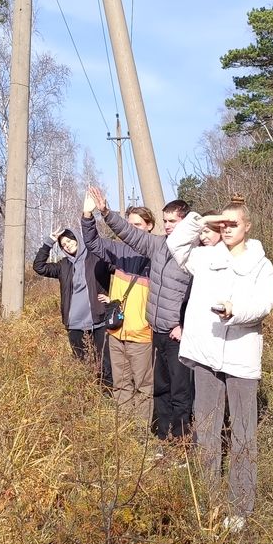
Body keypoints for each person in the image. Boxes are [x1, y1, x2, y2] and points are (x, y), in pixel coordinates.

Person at [168, 200, 273, 531]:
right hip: (205, 354)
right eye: (223, 224)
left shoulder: (261, 264)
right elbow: (175, 243)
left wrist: (235, 311)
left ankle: (241, 507)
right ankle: (209, 498)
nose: (227, 228)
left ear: (248, 227)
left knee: (244, 433)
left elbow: (264, 303)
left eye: (233, 223)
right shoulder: (207, 258)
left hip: (241, 358)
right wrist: (207, 218)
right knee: (208, 429)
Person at [89, 188, 195, 443]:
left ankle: (180, 441)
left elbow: (196, 296)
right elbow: (128, 233)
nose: (168, 226)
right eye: (166, 221)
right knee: (160, 388)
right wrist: (105, 212)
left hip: (177, 332)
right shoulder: (158, 245)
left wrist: (183, 324)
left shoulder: (195, 252)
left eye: (174, 221)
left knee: (180, 390)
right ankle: (161, 436)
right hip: (157, 330)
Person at [82, 202, 154, 424]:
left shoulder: (158, 254)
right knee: (121, 384)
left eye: (138, 225)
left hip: (141, 335)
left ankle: (142, 433)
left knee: (143, 387)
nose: (132, 230)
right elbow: (92, 242)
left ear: (150, 226)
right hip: (116, 331)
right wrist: (87, 214)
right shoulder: (119, 250)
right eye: (129, 225)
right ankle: (124, 429)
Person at [33, 228, 113, 385]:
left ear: (77, 239)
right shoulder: (63, 265)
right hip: (74, 322)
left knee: (105, 360)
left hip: (98, 319)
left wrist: (113, 298)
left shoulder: (96, 258)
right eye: (63, 245)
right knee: (81, 362)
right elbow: (39, 267)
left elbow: (118, 271)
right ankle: (86, 395)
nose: (67, 246)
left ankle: (107, 393)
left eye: (69, 241)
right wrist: (49, 242)